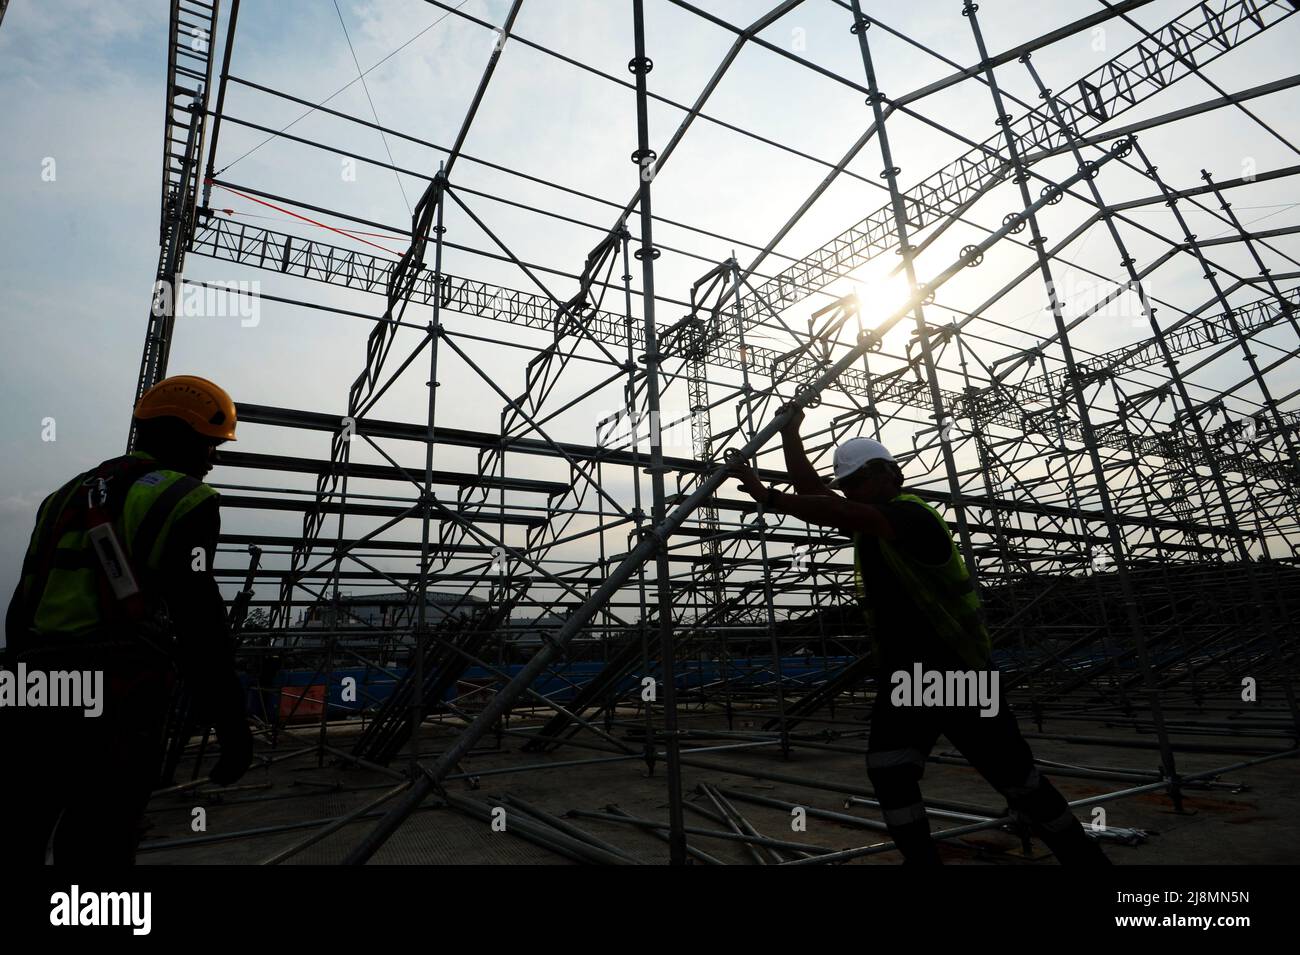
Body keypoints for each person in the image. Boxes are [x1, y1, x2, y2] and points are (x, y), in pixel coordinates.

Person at [730, 405, 1109, 865]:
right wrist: (792, 434)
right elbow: (818, 495)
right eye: (848, 484)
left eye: (857, 482)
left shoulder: (912, 517)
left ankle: (1084, 859)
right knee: (889, 770)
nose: (851, 491)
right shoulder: (871, 521)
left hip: (955, 670)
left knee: (1015, 778)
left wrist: (767, 497)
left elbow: (826, 506)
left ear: (889, 475)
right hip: (908, 673)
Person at [2, 374, 253, 863]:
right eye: (208, 444)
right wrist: (230, 724)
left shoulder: (64, 495)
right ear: (179, 435)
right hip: (116, 694)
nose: (211, 459)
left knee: (22, 825)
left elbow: (25, 600)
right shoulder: (185, 500)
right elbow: (199, 622)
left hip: (35, 688)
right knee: (99, 839)